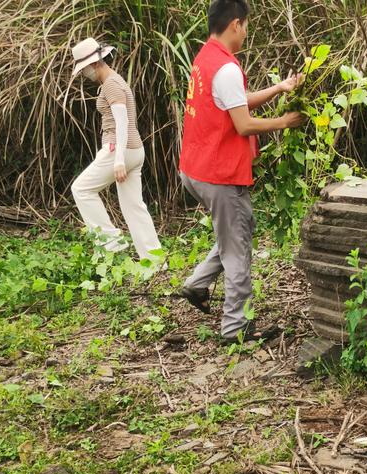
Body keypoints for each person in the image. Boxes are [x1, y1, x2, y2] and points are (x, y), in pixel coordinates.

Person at [179, 0, 305, 344]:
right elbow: (243, 124)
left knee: (239, 228)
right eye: (246, 25)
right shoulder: (227, 68)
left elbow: (234, 101)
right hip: (219, 173)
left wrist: (279, 88)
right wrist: (285, 122)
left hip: (195, 168)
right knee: (237, 247)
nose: (247, 32)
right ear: (236, 23)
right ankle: (236, 329)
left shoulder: (206, 57)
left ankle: (197, 284)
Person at [70, 38, 161, 259]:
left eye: (84, 70)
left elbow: (122, 122)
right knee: (134, 207)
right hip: (134, 149)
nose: (84, 75)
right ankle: (154, 259)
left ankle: (111, 245)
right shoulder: (116, 80)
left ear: (94, 64)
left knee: (81, 189)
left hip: (119, 149)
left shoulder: (111, 84)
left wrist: (118, 159)